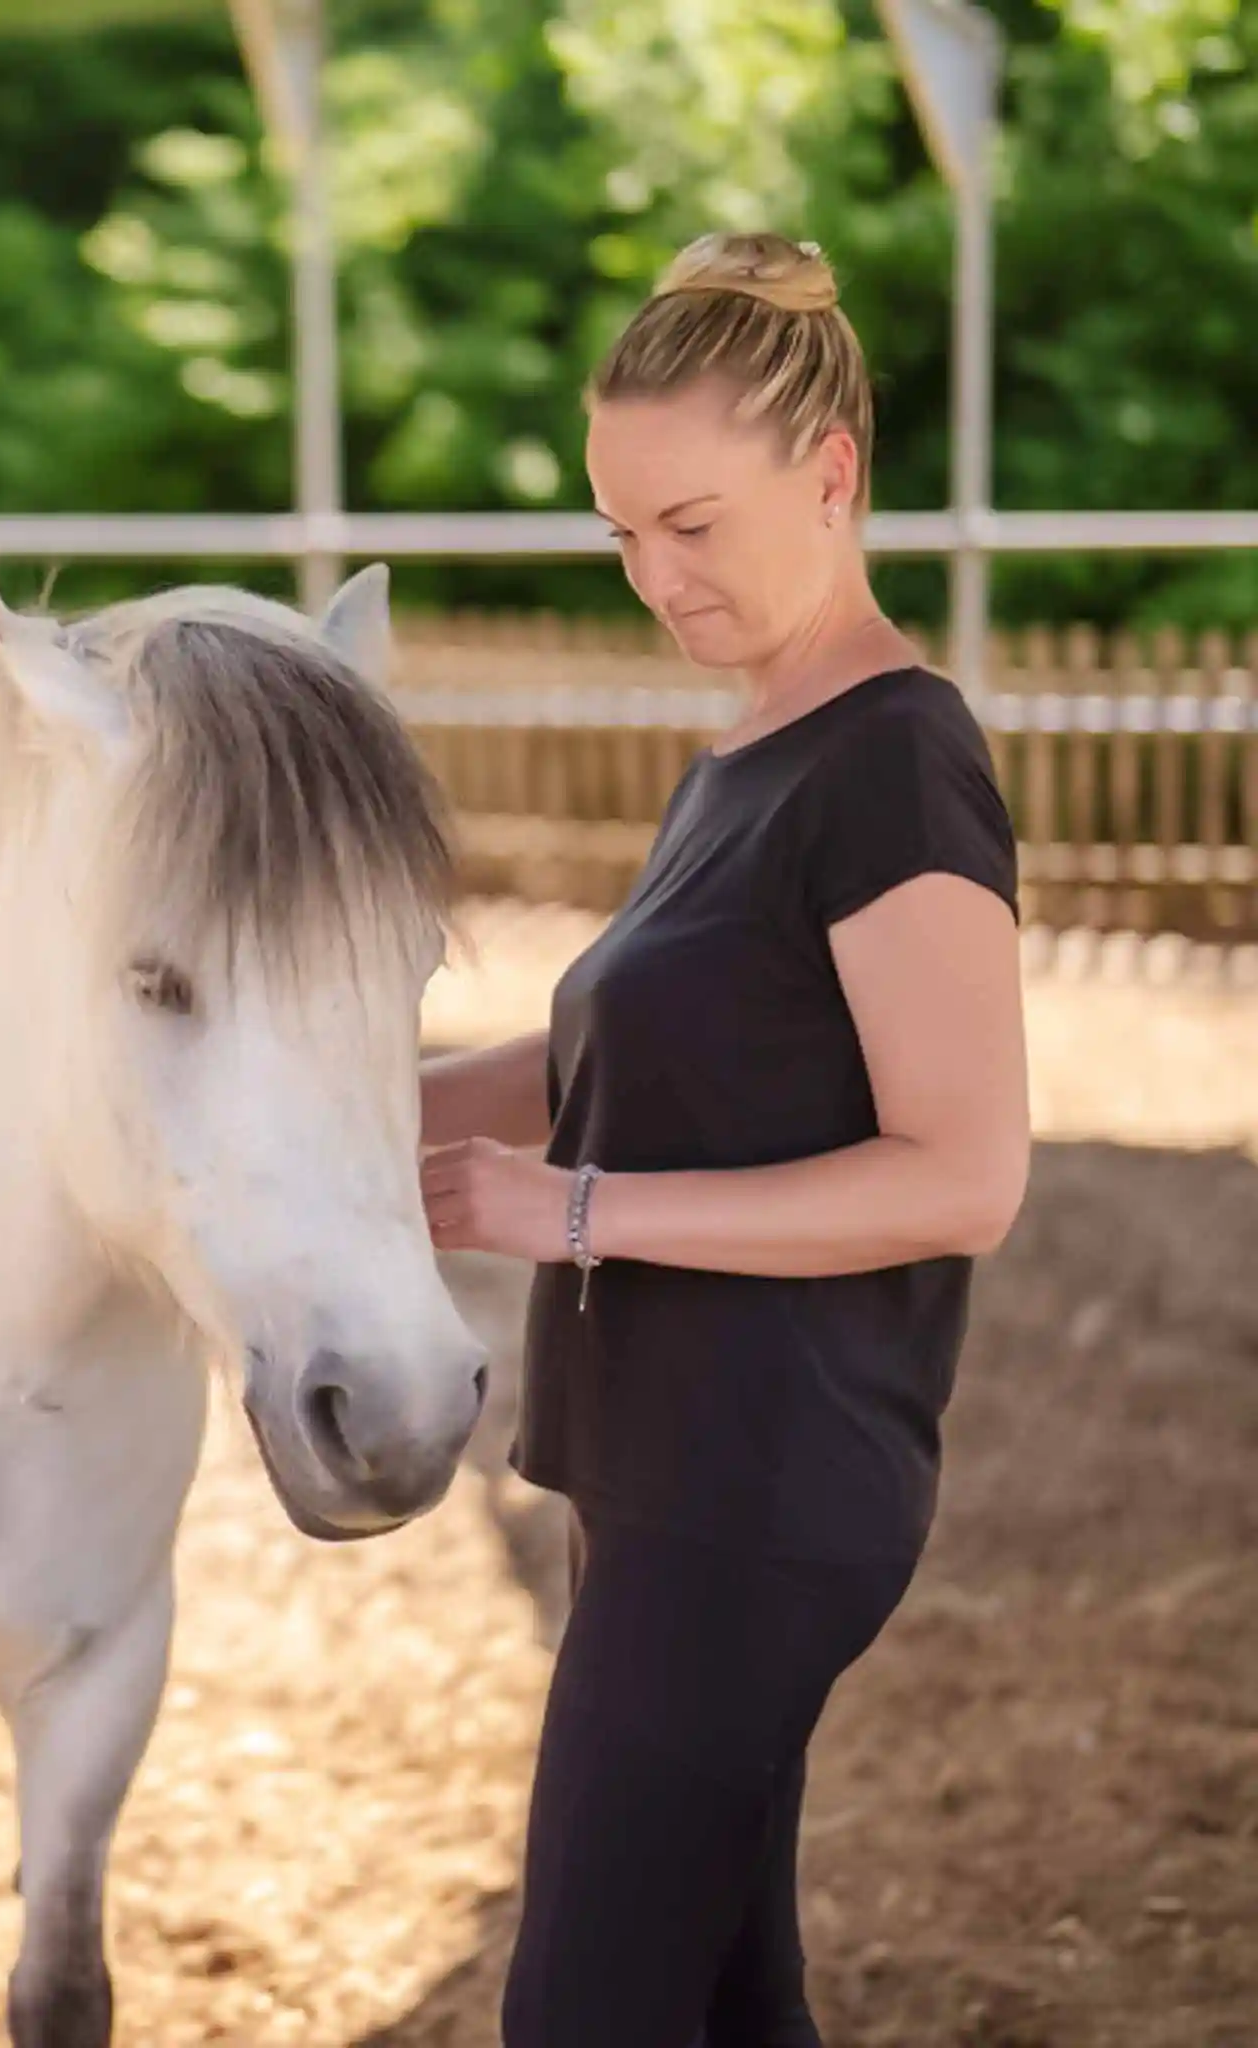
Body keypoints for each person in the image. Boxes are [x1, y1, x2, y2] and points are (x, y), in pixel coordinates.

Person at [417, 230, 1030, 2047]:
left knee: (582, 2016)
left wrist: (579, 1211)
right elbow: (628, 1043)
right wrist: (348, 1123)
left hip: (765, 1491)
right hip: (661, 1469)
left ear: (830, 477)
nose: (652, 577)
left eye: (691, 524)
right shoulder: (748, 752)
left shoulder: (894, 762)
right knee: (731, 2000)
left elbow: (964, 1171)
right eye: (621, 535)